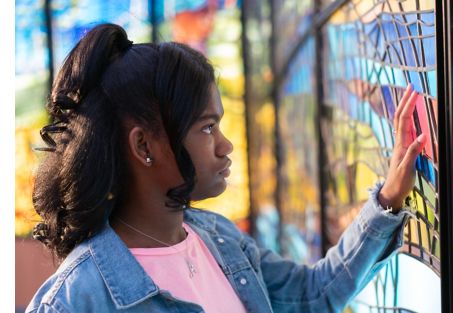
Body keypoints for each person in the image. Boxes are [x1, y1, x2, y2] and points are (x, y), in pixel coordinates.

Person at [26, 23, 427, 313]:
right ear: (144, 145)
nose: (225, 145)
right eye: (207, 127)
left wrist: (389, 198)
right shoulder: (76, 300)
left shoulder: (217, 238)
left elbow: (312, 296)